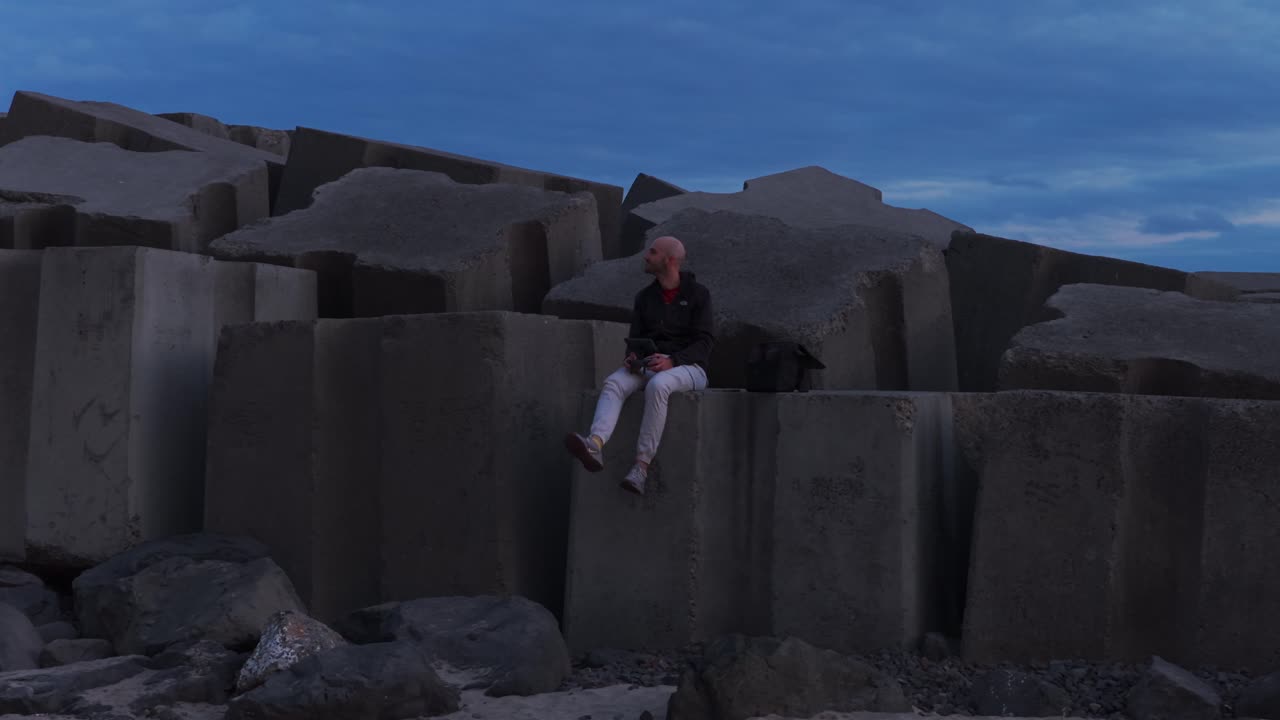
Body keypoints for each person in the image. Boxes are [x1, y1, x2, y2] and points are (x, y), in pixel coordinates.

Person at [564, 235, 714, 496]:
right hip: (651, 363)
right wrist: (632, 356)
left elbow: (705, 341)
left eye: (653, 252)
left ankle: (641, 468)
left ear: (669, 260)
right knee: (615, 381)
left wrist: (672, 361)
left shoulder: (698, 295)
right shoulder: (644, 297)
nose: (646, 256)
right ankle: (595, 444)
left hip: (690, 368)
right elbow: (635, 338)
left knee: (658, 386)